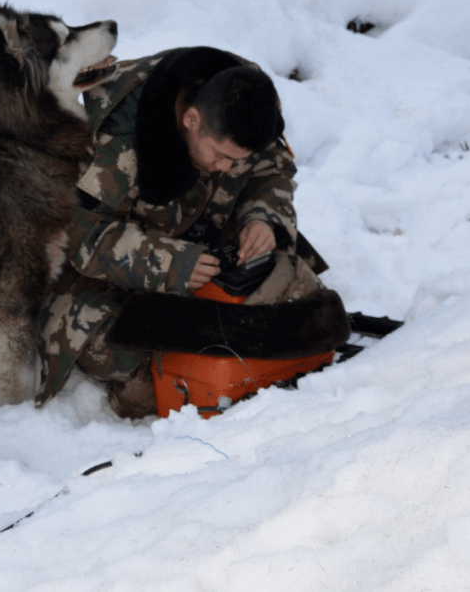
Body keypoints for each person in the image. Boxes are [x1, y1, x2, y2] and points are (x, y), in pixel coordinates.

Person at [35, 46, 329, 417]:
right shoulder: (115, 137)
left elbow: (273, 171)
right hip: (102, 263)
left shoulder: (248, 99)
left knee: (294, 287)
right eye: (219, 155)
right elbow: (78, 235)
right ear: (191, 119)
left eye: (235, 160)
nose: (225, 168)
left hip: (200, 230)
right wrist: (169, 264)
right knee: (110, 349)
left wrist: (262, 219)